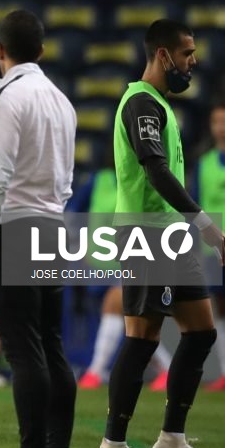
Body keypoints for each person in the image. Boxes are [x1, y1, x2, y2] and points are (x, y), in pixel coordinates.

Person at [90, 19, 225, 448]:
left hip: (170, 235)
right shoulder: (143, 105)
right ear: (163, 55)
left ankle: (171, 440)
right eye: (187, 53)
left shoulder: (160, 106)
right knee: (142, 337)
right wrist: (203, 221)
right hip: (146, 235)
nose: (193, 61)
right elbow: (156, 171)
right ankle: (112, 447)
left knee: (202, 331)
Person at [0, 9, 77, 448]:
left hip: (14, 227)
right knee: (51, 344)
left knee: (24, 349)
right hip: (54, 225)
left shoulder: (6, 98)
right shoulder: (61, 100)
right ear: (43, 51)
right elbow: (66, 180)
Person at [71, 168, 172, 392]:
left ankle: (95, 372)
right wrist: (79, 244)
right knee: (133, 320)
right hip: (99, 264)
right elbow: (75, 210)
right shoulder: (100, 179)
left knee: (116, 306)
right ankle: (167, 370)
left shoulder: (147, 180)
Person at [195, 103, 225, 391]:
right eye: (216, 121)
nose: (221, 127)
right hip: (214, 245)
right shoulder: (205, 163)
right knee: (221, 306)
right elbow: (196, 204)